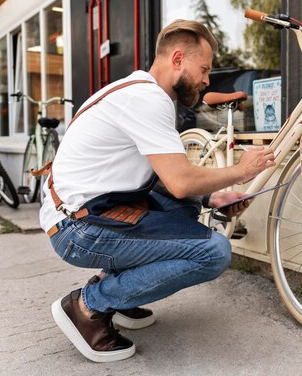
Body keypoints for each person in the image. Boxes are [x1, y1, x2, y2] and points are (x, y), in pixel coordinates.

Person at [42, 19, 275, 363]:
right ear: (178, 59)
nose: (207, 80)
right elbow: (180, 180)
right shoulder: (147, 99)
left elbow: (167, 182)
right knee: (213, 252)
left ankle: (121, 296)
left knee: (183, 207)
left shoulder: (142, 92)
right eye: (205, 69)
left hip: (90, 211)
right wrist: (242, 170)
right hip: (76, 228)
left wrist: (212, 198)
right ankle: (89, 306)